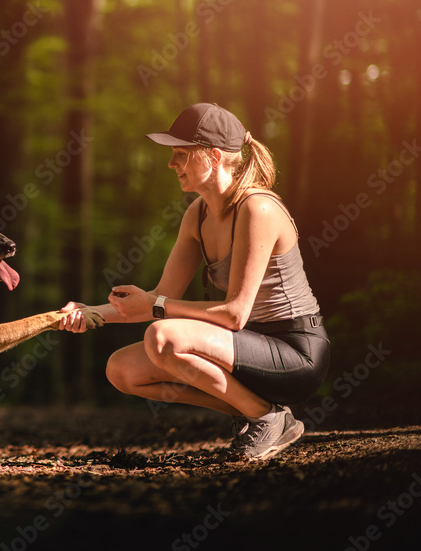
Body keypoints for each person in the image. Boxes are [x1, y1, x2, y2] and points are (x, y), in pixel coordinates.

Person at [60, 102, 330, 461]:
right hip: (244, 349)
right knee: (122, 370)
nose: (171, 164)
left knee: (162, 336)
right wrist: (88, 312)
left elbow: (234, 314)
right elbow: (159, 298)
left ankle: (266, 418)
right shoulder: (197, 215)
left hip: (295, 354)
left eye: (181, 154)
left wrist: (156, 306)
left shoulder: (257, 208)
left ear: (215, 157)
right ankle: (252, 409)